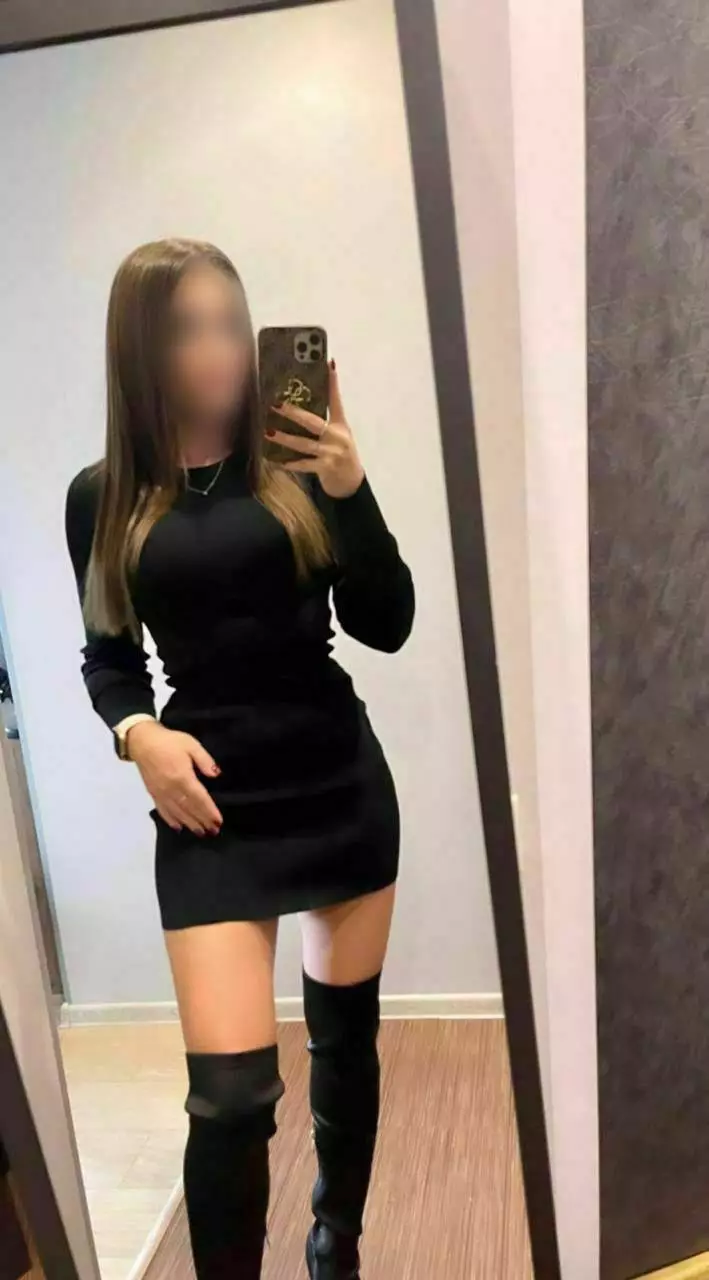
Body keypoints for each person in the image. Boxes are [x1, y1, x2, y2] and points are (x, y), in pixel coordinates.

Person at [64, 239, 414, 1280]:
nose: (219, 349)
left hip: (337, 782)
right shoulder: (104, 495)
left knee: (343, 1043)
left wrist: (350, 488)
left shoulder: (298, 465)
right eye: (188, 329)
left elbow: (387, 622)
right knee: (228, 1100)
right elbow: (108, 659)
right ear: (141, 349)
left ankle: (335, 1241)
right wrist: (139, 737)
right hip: (210, 807)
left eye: (230, 322)